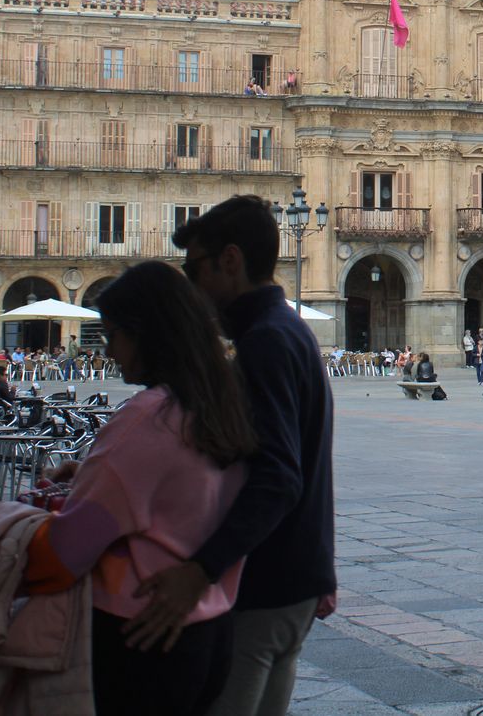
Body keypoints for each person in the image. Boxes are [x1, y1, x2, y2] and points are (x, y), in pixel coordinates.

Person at [128, 195, 336, 716]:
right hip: (294, 579)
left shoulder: (267, 341)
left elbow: (279, 477)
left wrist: (200, 571)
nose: (190, 284)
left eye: (193, 267)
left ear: (229, 261)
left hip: (265, 584)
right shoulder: (287, 333)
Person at [24, 261, 255, 716]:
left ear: (147, 334)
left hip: (141, 636)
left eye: (113, 335)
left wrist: (14, 518)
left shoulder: (146, 418)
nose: (109, 351)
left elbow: (68, 550)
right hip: (210, 630)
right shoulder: (221, 405)